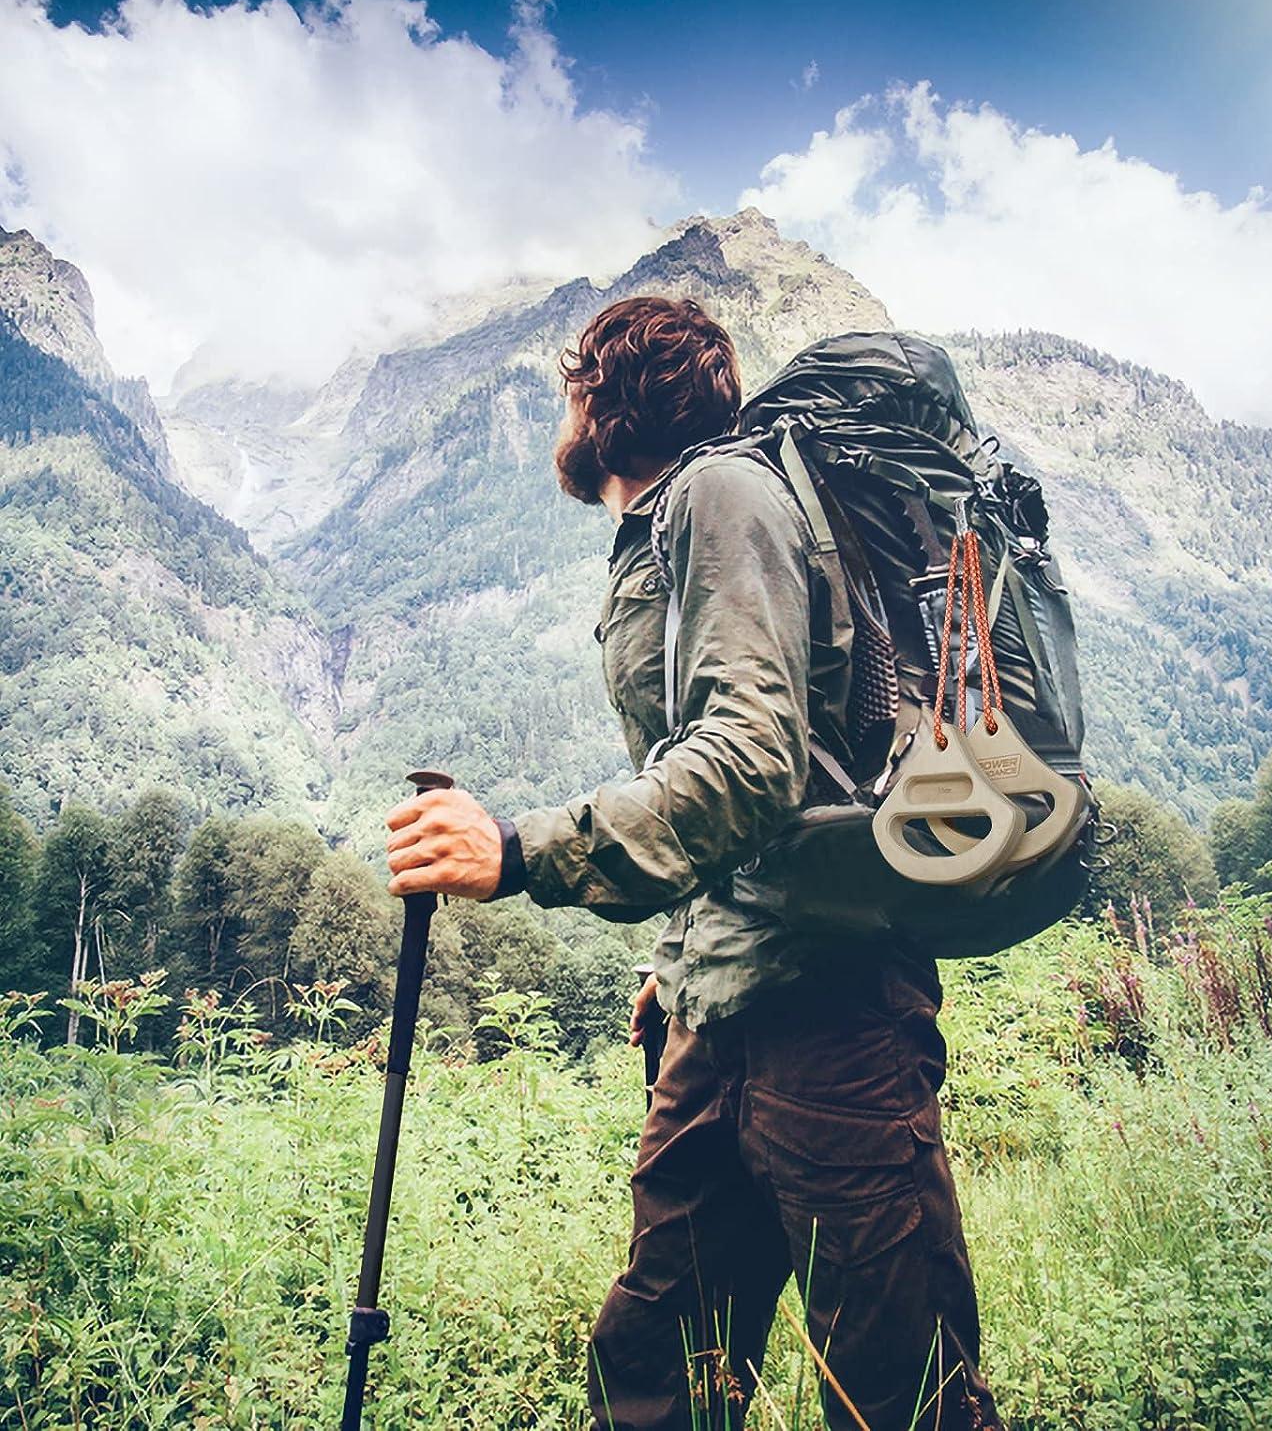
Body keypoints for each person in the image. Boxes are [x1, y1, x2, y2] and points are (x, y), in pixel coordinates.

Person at [384, 295, 1000, 1430]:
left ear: (606, 401)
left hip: (835, 1025)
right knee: (660, 1371)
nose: (562, 417)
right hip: (715, 1020)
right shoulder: (674, 522)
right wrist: (681, 953)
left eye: (570, 391)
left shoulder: (723, 492)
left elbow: (752, 759)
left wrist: (517, 851)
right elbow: (733, 765)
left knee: (903, 1396)